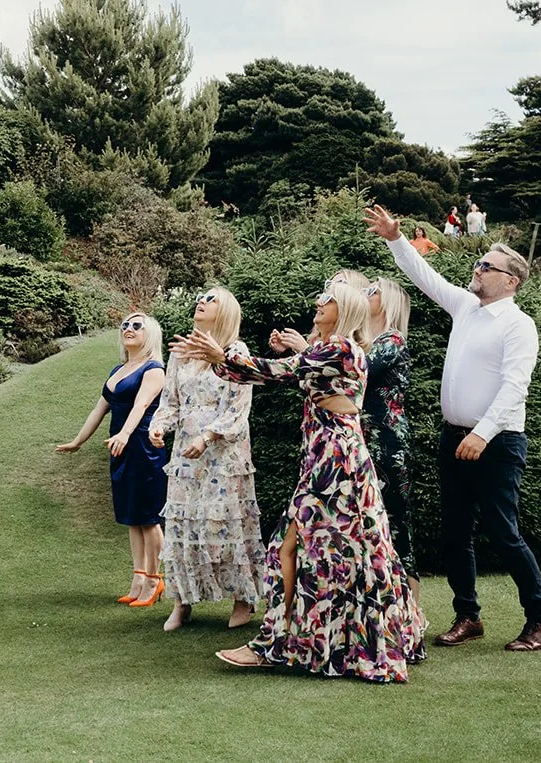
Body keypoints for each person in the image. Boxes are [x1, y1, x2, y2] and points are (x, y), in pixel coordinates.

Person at [177, 284, 425, 683]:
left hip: (336, 462)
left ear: (342, 308)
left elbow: (279, 372)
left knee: (292, 548)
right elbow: (291, 368)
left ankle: (277, 644)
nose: (316, 304)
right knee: (340, 553)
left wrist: (224, 356)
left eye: (325, 300)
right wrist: (227, 359)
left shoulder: (342, 349)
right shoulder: (330, 350)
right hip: (328, 459)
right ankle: (311, 642)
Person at [365, 204, 541, 652]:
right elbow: (424, 276)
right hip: (454, 437)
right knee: (455, 532)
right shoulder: (465, 307)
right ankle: (467, 615)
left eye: (486, 266)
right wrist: (395, 237)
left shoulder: (518, 325)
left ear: (510, 281)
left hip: (497, 442)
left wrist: (483, 433)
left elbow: (515, 387)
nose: (477, 269)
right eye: (479, 263)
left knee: (502, 530)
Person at [146, 289, 262, 632]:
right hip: (186, 455)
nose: (202, 301)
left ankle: (244, 599)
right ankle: (183, 601)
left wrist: (207, 436)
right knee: (185, 524)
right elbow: (171, 401)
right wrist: (159, 427)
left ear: (225, 311)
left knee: (227, 527)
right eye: (201, 297)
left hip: (224, 455)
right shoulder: (183, 354)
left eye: (210, 299)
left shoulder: (236, 352)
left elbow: (238, 410)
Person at [57, 312, 169, 606]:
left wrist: (125, 434)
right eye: (125, 326)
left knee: (149, 517)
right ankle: (137, 578)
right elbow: (100, 408)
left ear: (150, 334)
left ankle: (155, 581)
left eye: (136, 326)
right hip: (119, 446)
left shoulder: (154, 369)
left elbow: (142, 404)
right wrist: (78, 441)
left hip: (143, 446)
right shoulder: (118, 370)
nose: (128, 329)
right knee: (132, 517)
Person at [361, 278, 418, 599]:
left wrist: (309, 351)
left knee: (396, 522)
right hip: (360, 442)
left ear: (389, 302)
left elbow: (358, 369)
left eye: (373, 290)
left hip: (388, 444)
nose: (365, 294)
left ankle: (413, 607)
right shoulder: (364, 341)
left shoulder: (392, 341)